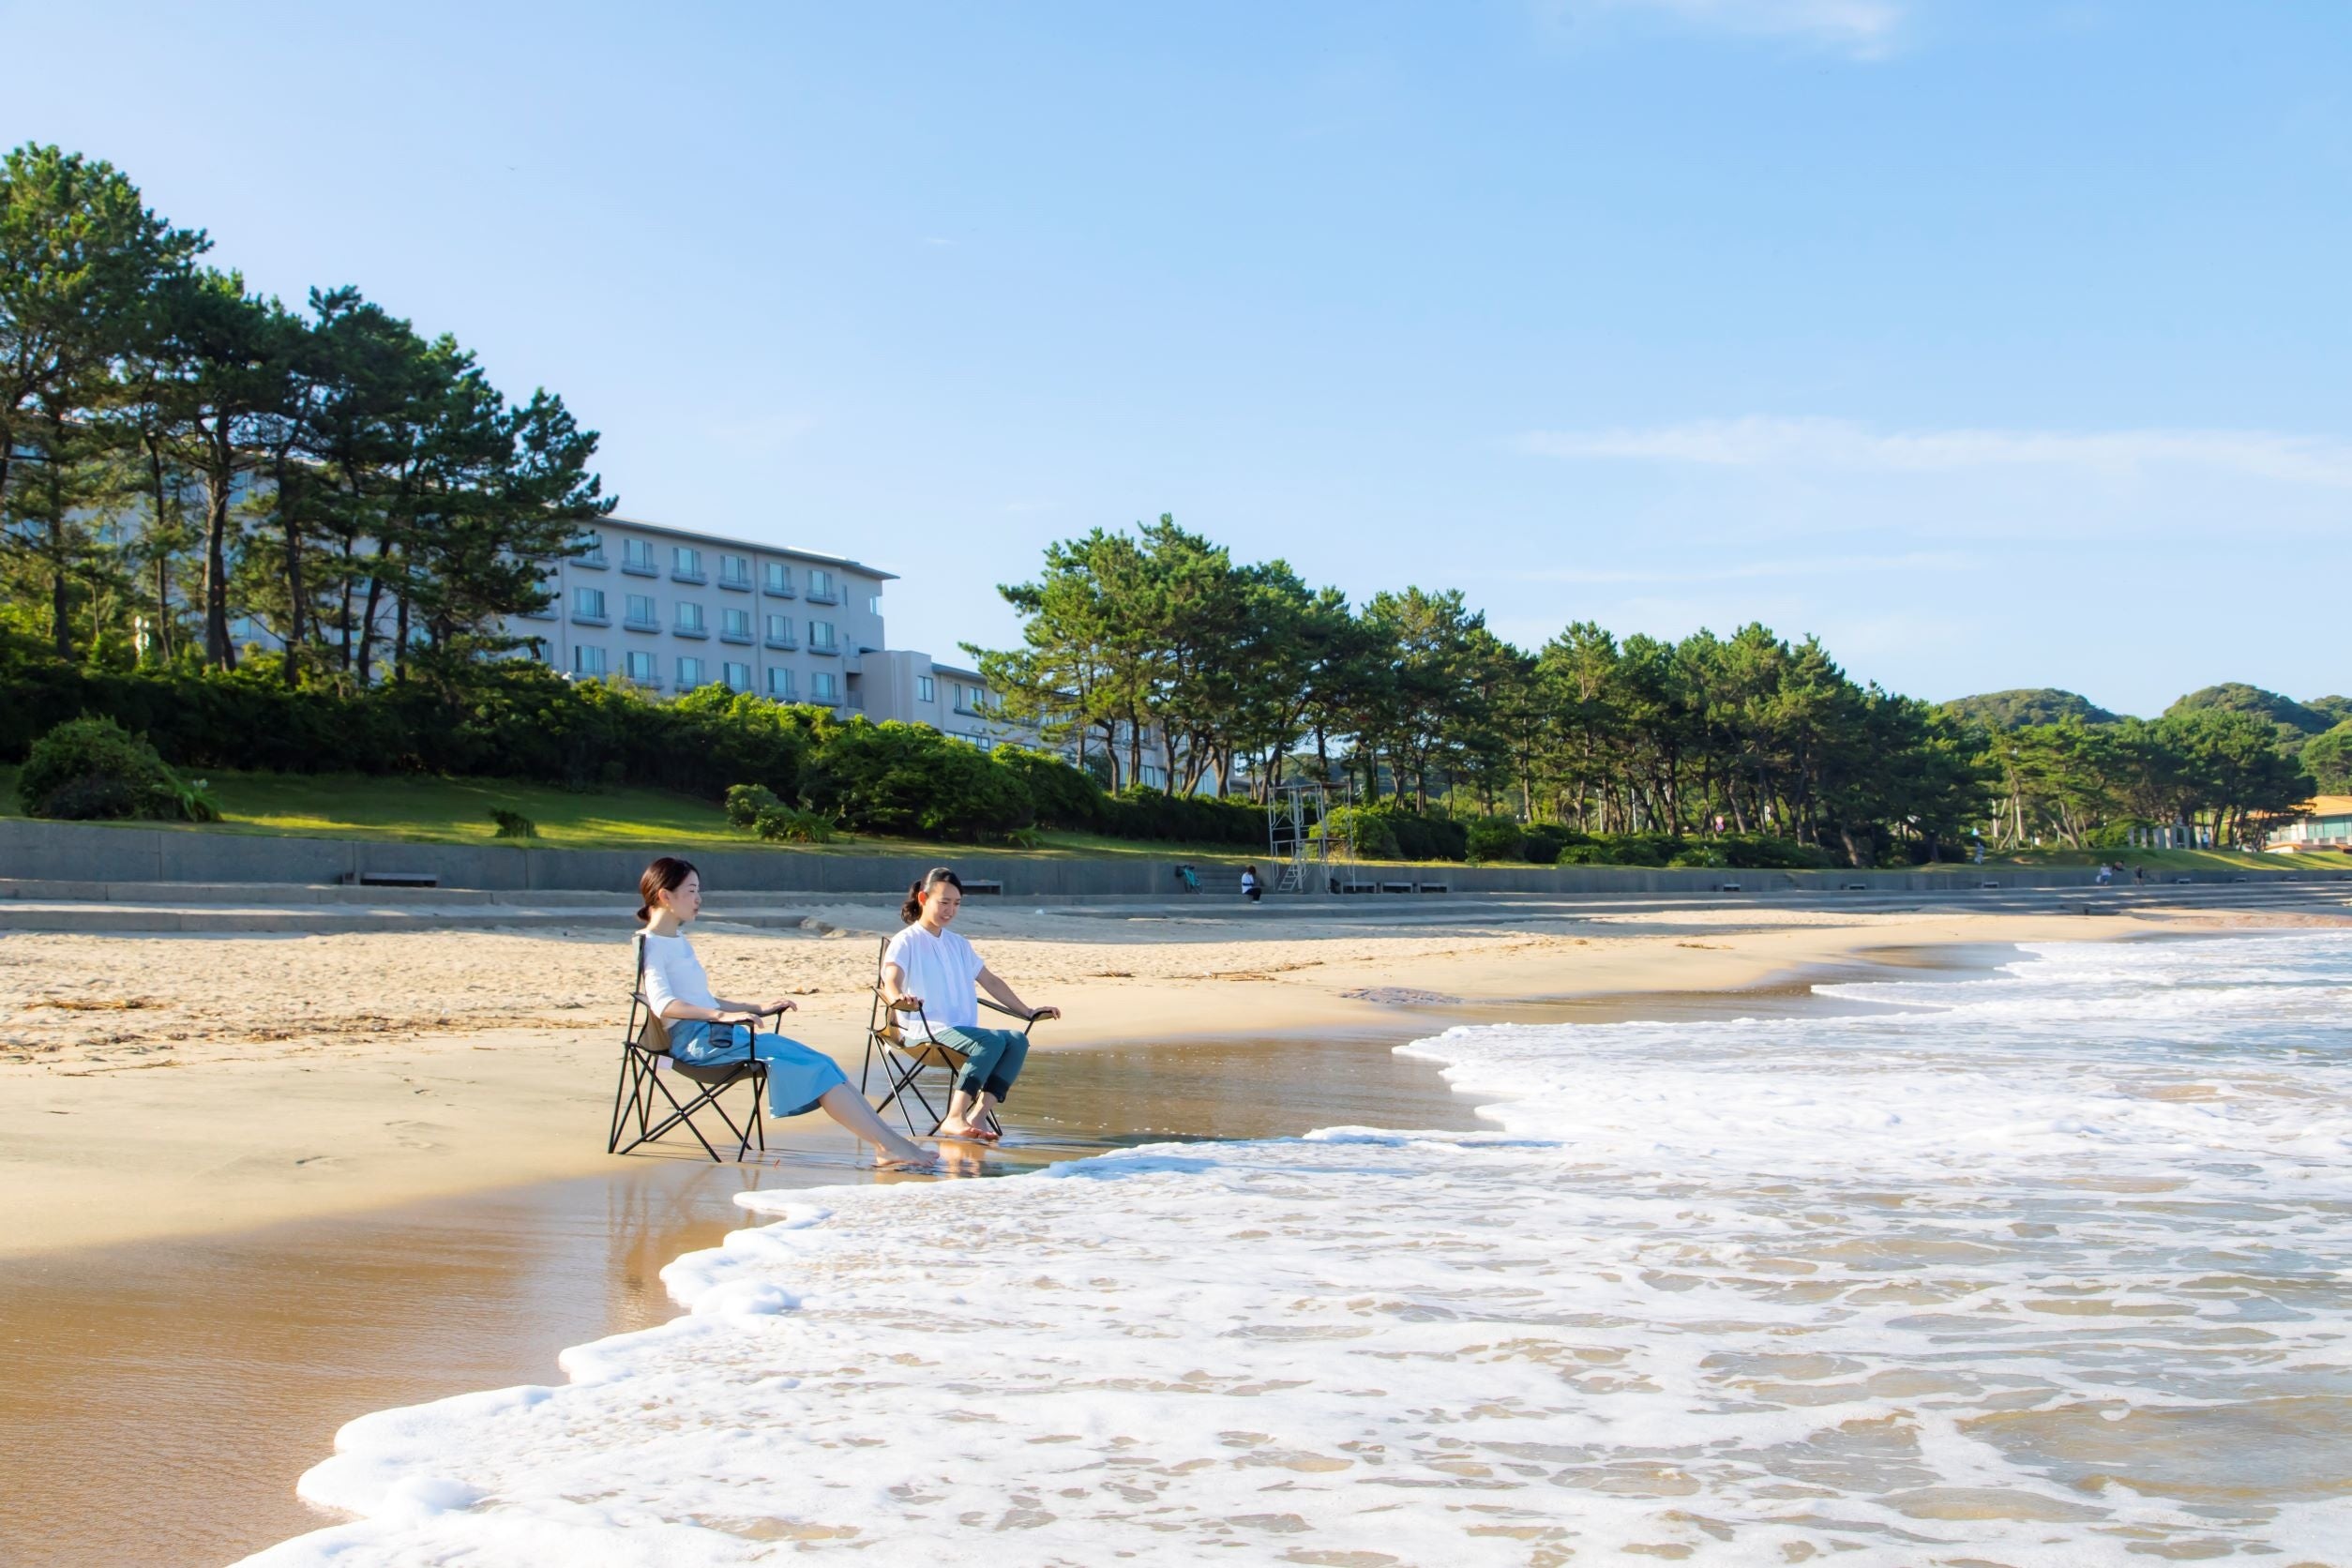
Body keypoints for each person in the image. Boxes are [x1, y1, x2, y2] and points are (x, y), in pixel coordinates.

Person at [636, 856, 932, 1170]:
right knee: (815, 1068)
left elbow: (702, 999)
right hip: (697, 1045)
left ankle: (892, 1144)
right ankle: (888, 1145)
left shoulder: (676, 940)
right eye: (691, 890)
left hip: (717, 1035)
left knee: (823, 1062)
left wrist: (754, 1007)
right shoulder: (651, 944)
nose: (699, 898)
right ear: (665, 896)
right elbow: (663, 1005)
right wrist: (721, 1017)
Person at [881, 867, 1060, 1142]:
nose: (950, 910)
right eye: (944, 902)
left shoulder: (959, 944)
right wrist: (897, 998)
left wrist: (1027, 1011)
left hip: (961, 1032)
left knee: (1016, 1041)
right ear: (923, 899)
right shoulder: (907, 941)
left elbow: (991, 981)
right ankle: (954, 1117)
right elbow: (891, 978)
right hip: (924, 1032)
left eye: (956, 904)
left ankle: (977, 1115)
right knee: (990, 1042)